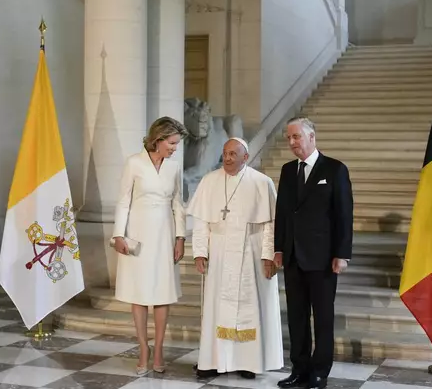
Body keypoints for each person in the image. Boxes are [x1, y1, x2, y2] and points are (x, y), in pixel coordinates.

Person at [187, 137, 284, 380]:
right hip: (219, 252)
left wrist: (267, 255)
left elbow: (271, 225)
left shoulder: (262, 183)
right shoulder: (210, 181)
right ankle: (212, 361)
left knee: (250, 306)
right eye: (225, 153)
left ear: (245, 157)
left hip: (250, 251)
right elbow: (200, 222)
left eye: (233, 154)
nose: (228, 158)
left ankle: (248, 361)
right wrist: (199, 252)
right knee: (216, 308)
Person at [274, 117, 353, 389]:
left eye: (296, 136)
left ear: (311, 137)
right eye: (289, 138)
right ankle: (299, 369)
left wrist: (342, 253)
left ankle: (320, 371)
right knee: (296, 318)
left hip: (322, 259)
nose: (292, 142)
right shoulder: (287, 171)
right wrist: (279, 248)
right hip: (293, 257)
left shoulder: (335, 169)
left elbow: (344, 215)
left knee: (322, 318)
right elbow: (282, 214)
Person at [112, 116, 188, 375]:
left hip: (165, 233)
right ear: (158, 139)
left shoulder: (174, 166)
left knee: (163, 293)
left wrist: (180, 238)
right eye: (172, 143)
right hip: (138, 234)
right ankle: (143, 349)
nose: (175, 148)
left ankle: (159, 350)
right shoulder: (134, 162)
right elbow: (123, 201)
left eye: (177, 144)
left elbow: (179, 204)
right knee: (139, 293)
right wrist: (118, 235)